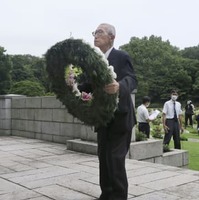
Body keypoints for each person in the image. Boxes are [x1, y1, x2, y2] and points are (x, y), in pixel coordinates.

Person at [93, 23, 137, 200]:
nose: (95, 36)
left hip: (121, 118)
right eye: (94, 32)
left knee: (115, 160)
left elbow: (132, 79)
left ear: (111, 37)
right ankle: (106, 195)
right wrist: (72, 84)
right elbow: (88, 86)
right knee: (103, 159)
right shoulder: (94, 61)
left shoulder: (121, 56)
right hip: (103, 119)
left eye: (100, 32)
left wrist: (119, 86)